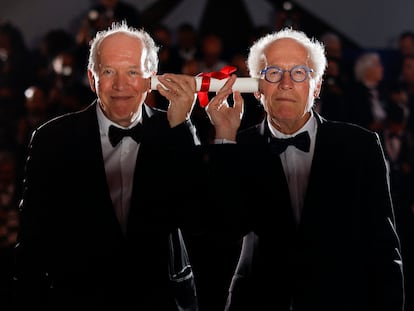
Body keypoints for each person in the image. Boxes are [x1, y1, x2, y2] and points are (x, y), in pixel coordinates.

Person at [201, 27, 404, 311]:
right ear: (258, 88)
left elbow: (383, 247)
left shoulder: (360, 145)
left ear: (317, 85)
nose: (285, 83)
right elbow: (219, 234)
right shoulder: (236, 145)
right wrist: (224, 136)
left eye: (299, 73)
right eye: (273, 73)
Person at [13, 21, 199, 311]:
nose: (121, 85)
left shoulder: (174, 129)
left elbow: (196, 215)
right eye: (109, 71)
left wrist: (179, 131)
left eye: (133, 72)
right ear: (91, 78)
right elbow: (33, 240)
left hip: (162, 300)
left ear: (151, 77)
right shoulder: (52, 139)